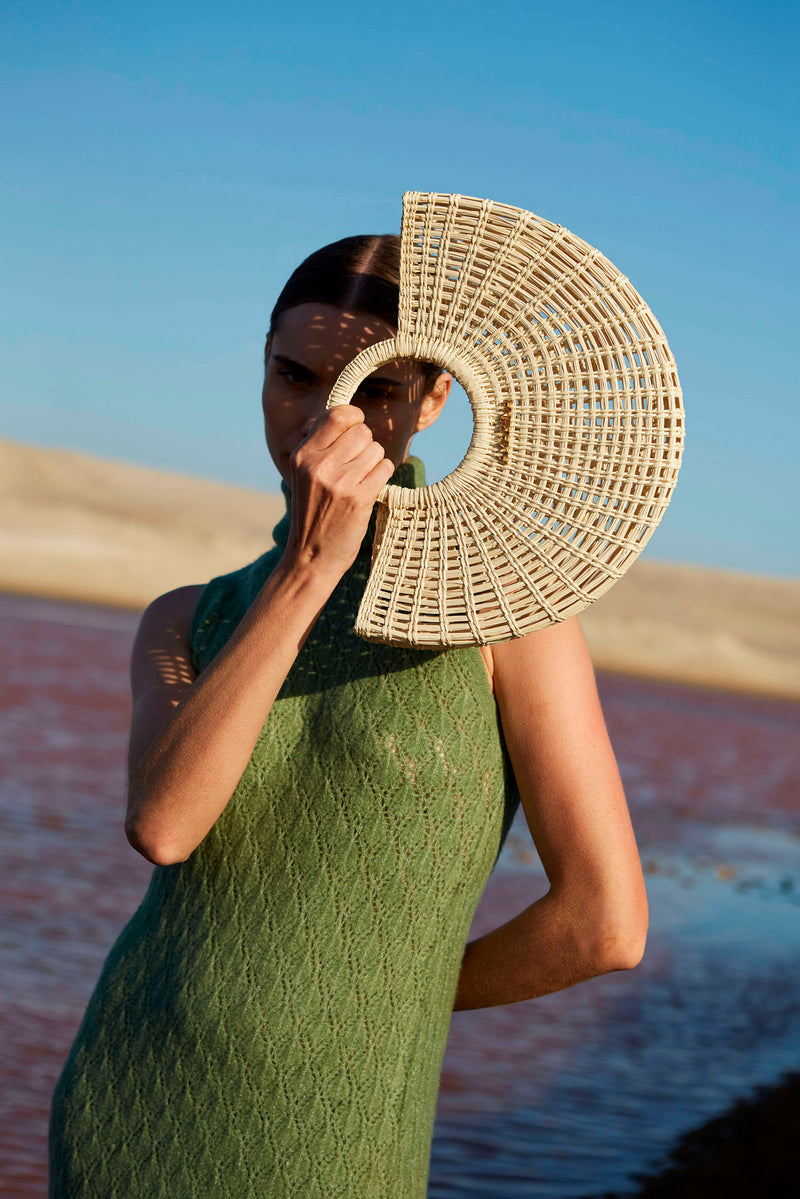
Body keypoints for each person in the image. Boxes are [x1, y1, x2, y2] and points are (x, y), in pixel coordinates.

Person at [49, 234, 649, 1198]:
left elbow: (604, 925)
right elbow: (165, 827)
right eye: (294, 374)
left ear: (435, 398)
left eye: (371, 389)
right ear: (262, 367)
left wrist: (388, 998)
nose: (324, 420)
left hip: (338, 1134)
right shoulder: (188, 618)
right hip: (134, 1096)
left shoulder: (503, 614)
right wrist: (308, 570)